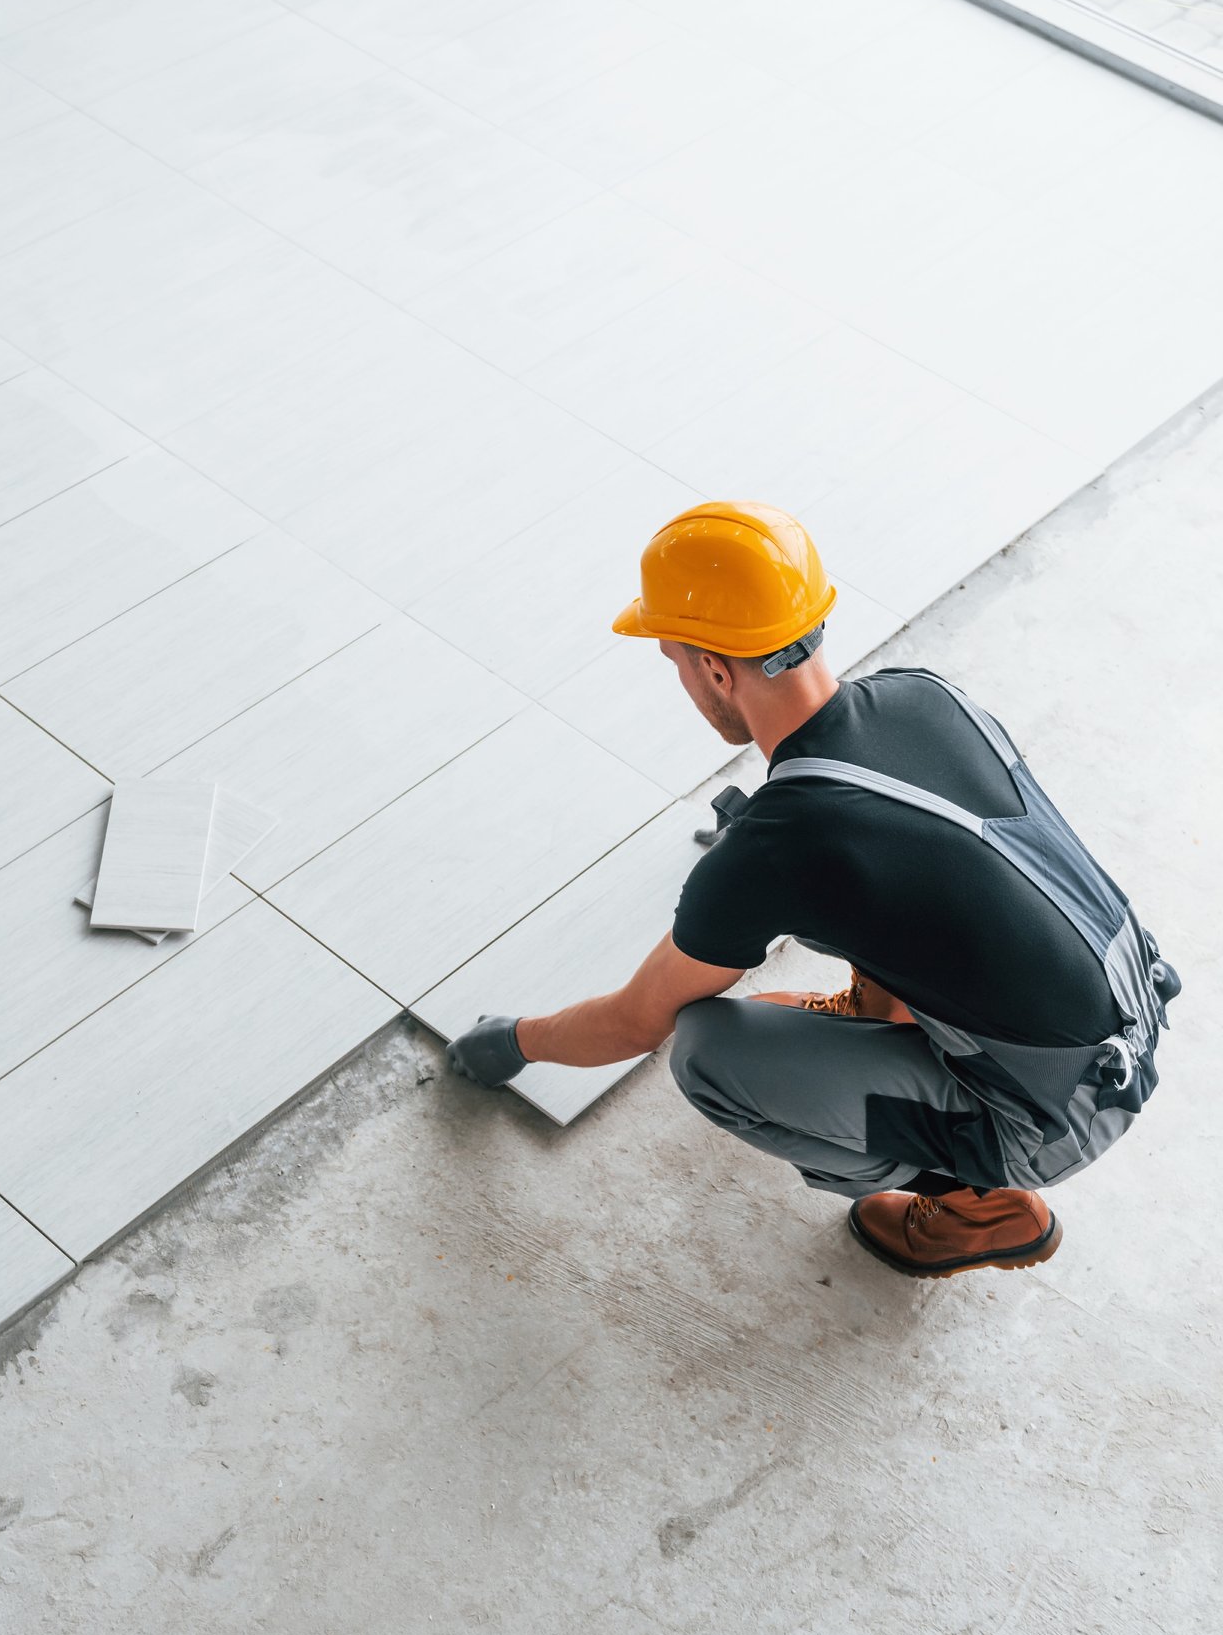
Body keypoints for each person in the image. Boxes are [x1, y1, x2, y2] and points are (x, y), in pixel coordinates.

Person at [447, 503, 1176, 1278]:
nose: (681, 678)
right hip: (1130, 1006)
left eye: (674, 659)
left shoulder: (783, 847)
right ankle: (883, 1025)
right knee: (881, 903)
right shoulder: (921, 696)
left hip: (1055, 1113)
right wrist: (762, 846)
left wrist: (514, 1040)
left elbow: (633, 1022)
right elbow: (924, 866)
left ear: (717, 670)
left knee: (709, 1053)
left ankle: (981, 1203)